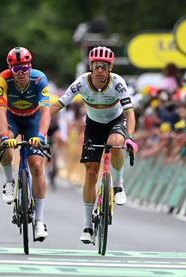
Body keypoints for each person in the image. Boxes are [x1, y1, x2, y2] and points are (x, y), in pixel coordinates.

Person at [51, 46, 138, 244]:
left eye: (104, 67)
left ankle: (117, 185)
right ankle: (87, 226)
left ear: (110, 68)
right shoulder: (81, 82)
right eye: (96, 66)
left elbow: (130, 113)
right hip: (93, 125)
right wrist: (40, 121)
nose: (100, 70)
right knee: (91, 172)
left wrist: (130, 137)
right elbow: (58, 104)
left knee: (116, 142)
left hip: (116, 121)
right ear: (91, 67)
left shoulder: (118, 83)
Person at [0, 47, 51, 240]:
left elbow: (46, 111)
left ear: (30, 66)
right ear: (10, 69)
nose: (20, 73)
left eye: (24, 68)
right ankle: (9, 181)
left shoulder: (39, 79)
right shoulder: (3, 79)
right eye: (16, 69)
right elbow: (0, 110)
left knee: (36, 166)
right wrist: (4, 136)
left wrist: (42, 135)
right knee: (6, 147)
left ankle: (40, 221)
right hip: (12, 119)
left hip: (33, 120)